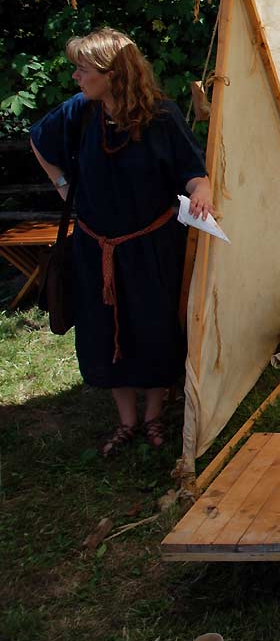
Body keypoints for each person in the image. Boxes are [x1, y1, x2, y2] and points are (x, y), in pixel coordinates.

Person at [29, 28, 212, 457]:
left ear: (112, 73)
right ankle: (127, 420)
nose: (76, 76)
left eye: (83, 69)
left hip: (152, 247)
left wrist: (202, 191)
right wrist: (62, 184)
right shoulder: (80, 112)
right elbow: (38, 139)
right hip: (96, 249)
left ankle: (154, 415)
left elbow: (193, 171)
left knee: (153, 327)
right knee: (102, 330)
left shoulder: (161, 116)